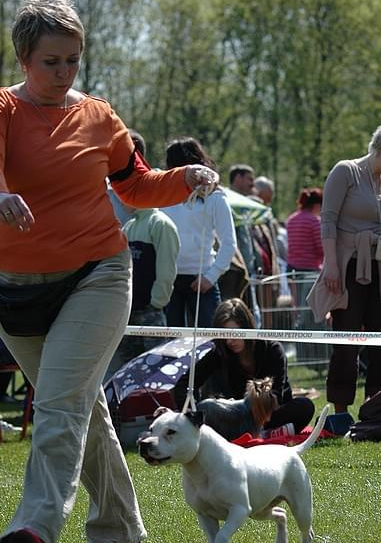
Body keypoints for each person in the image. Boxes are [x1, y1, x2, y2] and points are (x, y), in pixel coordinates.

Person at [0, 0, 218, 543]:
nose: (64, 71)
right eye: (52, 61)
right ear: (24, 58)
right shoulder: (3, 110)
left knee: (59, 402)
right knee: (81, 407)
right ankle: (119, 526)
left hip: (98, 273)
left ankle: (34, 526)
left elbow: (137, 186)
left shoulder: (98, 115)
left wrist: (186, 177)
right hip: (16, 290)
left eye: (73, 59)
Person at [307, 127, 381, 414]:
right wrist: (331, 266)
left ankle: (375, 409)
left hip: (378, 268)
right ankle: (340, 412)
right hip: (347, 267)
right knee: (346, 343)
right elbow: (327, 219)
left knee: (379, 342)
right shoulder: (346, 171)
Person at [175, 298, 315, 434]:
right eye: (224, 335)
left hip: (271, 414)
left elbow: (276, 395)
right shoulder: (218, 353)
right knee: (208, 408)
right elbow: (184, 382)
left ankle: (264, 432)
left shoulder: (273, 349)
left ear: (247, 327)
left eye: (235, 333)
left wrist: (254, 406)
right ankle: (270, 434)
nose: (230, 340)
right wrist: (190, 412)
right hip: (236, 418)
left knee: (305, 406)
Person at [163, 137, 237, 328]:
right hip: (168, 280)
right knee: (168, 345)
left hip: (202, 279)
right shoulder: (164, 195)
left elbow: (229, 244)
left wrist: (211, 277)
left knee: (209, 343)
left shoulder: (216, 198)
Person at [104, 205, 180, 380]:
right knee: (127, 374)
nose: (122, 201)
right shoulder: (129, 226)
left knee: (157, 373)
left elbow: (166, 270)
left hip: (150, 313)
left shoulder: (161, 224)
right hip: (129, 312)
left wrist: (156, 303)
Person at [287, 188, 323, 274]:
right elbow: (321, 248)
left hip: (291, 268)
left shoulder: (291, 219)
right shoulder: (315, 221)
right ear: (316, 205)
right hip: (309, 269)